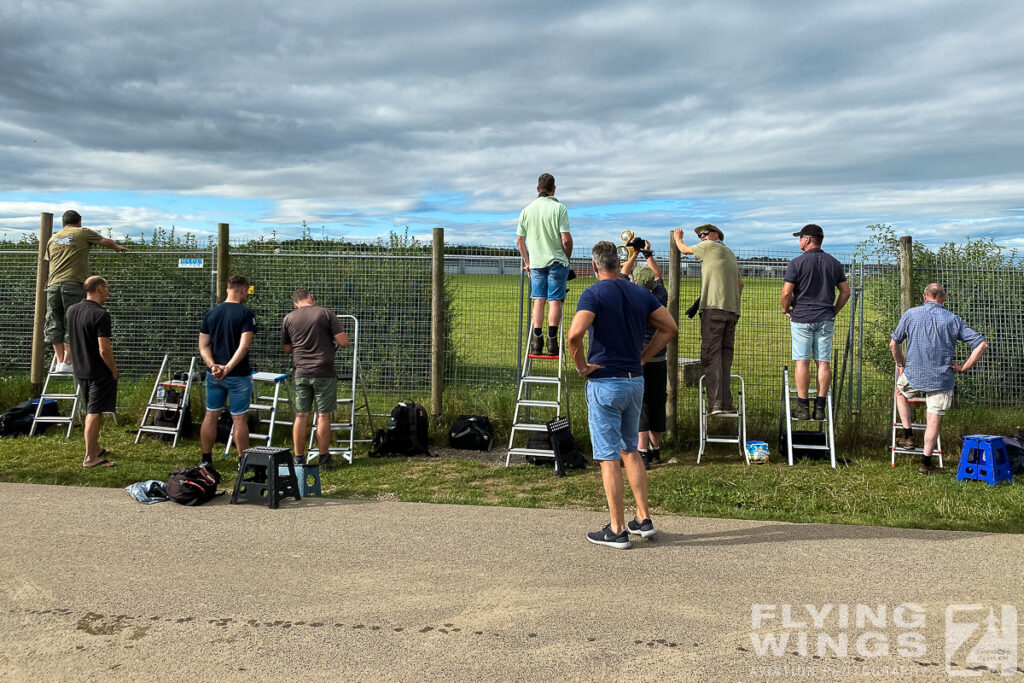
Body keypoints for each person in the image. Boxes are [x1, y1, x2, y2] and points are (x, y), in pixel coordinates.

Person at [568, 242, 677, 549]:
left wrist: (581, 367)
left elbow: (575, 334)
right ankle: (643, 518)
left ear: (594, 267)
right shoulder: (640, 293)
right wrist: (644, 356)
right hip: (634, 381)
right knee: (631, 449)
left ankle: (616, 529)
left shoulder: (592, 294)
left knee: (607, 457)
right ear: (618, 264)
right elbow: (669, 327)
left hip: (605, 381)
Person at [889, 283, 988, 475]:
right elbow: (981, 345)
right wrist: (964, 366)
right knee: (932, 419)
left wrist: (900, 364)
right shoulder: (953, 319)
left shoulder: (910, 314)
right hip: (941, 377)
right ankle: (925, 464)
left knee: (900, 392)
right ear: (943, 299)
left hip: (913, 374)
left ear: (925, 297)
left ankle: (908, 435)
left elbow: (894, 344)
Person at [780, 224, 851, 420]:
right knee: (823, 363)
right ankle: (820, 407)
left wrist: (786, 310)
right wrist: (834, 310)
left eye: (800, 238)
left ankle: (802, 407)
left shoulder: (796, 263)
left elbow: (786, 292)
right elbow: (846, 291)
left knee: (802, 361)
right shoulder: (834, 263)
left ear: (808, 240)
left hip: (802, 318)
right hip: (825, 318)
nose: (799, 241)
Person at [45, 210, 128, 373]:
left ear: (63, 223)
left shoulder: (52, 238)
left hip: (53, 286)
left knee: (54, 322)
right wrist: (117, 247)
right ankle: (68, 362)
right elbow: (107, 242)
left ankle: (59, 361)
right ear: (79, 221)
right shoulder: (82, 233)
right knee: (72, 321)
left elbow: (48, 261)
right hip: (73, 284)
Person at [673, 225, 742, 415]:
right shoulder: (729, 253)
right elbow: (740, 284)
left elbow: (684, 249)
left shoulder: (710, 247)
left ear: (715, 235)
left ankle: (716, 405)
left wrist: (677, 237)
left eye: (704, 234)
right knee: (724, 358)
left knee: (711, 356)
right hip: (732, 311)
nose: (702, 237)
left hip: (713, 310)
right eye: (700, 235)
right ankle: (727, 404)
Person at [282, 289, 350, 468]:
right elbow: (343, 342)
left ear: (295, 304)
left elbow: (287, 349)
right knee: (323, 415)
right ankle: (324, 458)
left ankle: (298, 458)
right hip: (324, 372)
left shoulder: (289, 318)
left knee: (301, 415)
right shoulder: (325, 313)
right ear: (311, 298)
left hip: (301, 373)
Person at [198, 275, 257, 464]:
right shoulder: (246, 314)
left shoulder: (211, 313)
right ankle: (243, 461)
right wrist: (228, 368)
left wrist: (213, 365)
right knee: (239, 419)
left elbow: (203, 346)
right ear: (243, 290)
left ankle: (206, 459)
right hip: (238, 374)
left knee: (211, 414)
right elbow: (244, 346)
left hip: (214, 375)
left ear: (227, 289)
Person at [621, 241, 668, 468]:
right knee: (658, 401)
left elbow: (622, 274)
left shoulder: (632, 297)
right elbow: (658, 275)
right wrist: (648, 254)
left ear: (637, 282)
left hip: (639, 359)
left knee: (640, 404)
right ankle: (655, 449)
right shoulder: (660, 296)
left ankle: (640, 451)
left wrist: (634, 253)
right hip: (660, 358)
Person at [516, 173, 573, 356]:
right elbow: (566, 239)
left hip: (536, 263)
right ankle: (552, 342)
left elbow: (519, 241)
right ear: (553, 189)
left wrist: (527, 262)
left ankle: (537, 340)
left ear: (537, 189)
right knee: (554, 300)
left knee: (538, 300)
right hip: (557, 262)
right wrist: (567, 258)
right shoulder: (559, 208)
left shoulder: (526, 211)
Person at [65, 276, 118, 468]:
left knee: (93, 410)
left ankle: (95, 448)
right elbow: (104, 349)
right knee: (94, 412)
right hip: (98, 371)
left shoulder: (72, 310)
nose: (108, 291)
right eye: (107, 287)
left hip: (80, 369)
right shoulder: (101, 314)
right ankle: (90, 458)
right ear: (100, 288)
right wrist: (113, 370)